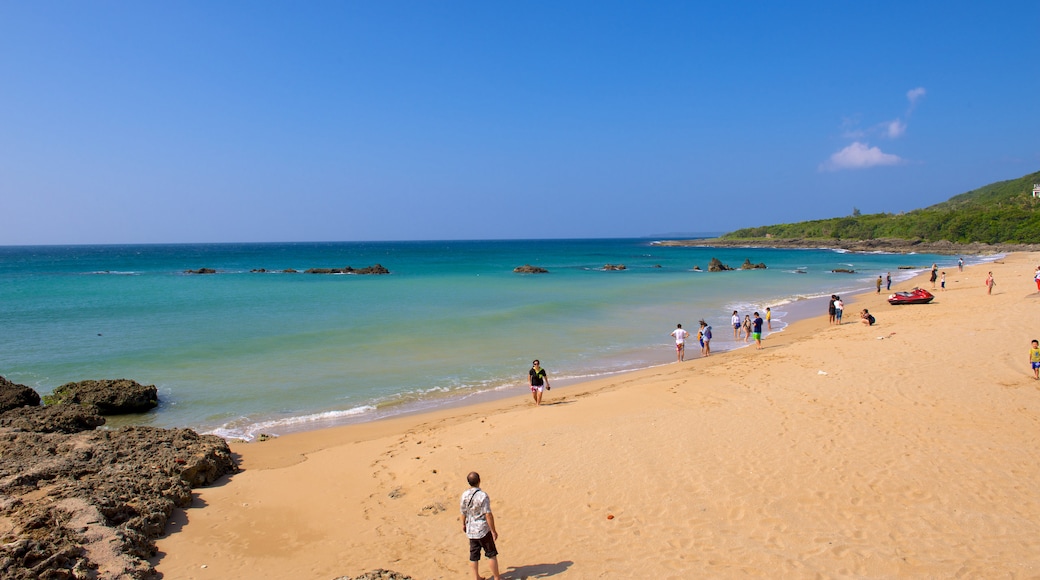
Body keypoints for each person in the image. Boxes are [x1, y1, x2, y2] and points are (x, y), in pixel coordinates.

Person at [460, 472, 502, 580]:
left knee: (474, 556)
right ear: (479, 481)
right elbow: (488, 514)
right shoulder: (482, 495)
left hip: (471, 530)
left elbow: (463, 512)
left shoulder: (464, 495)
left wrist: (463, 524)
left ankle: (476, 577)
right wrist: (493, 531)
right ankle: (497, 577)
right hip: (483, 530)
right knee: (491, 554)